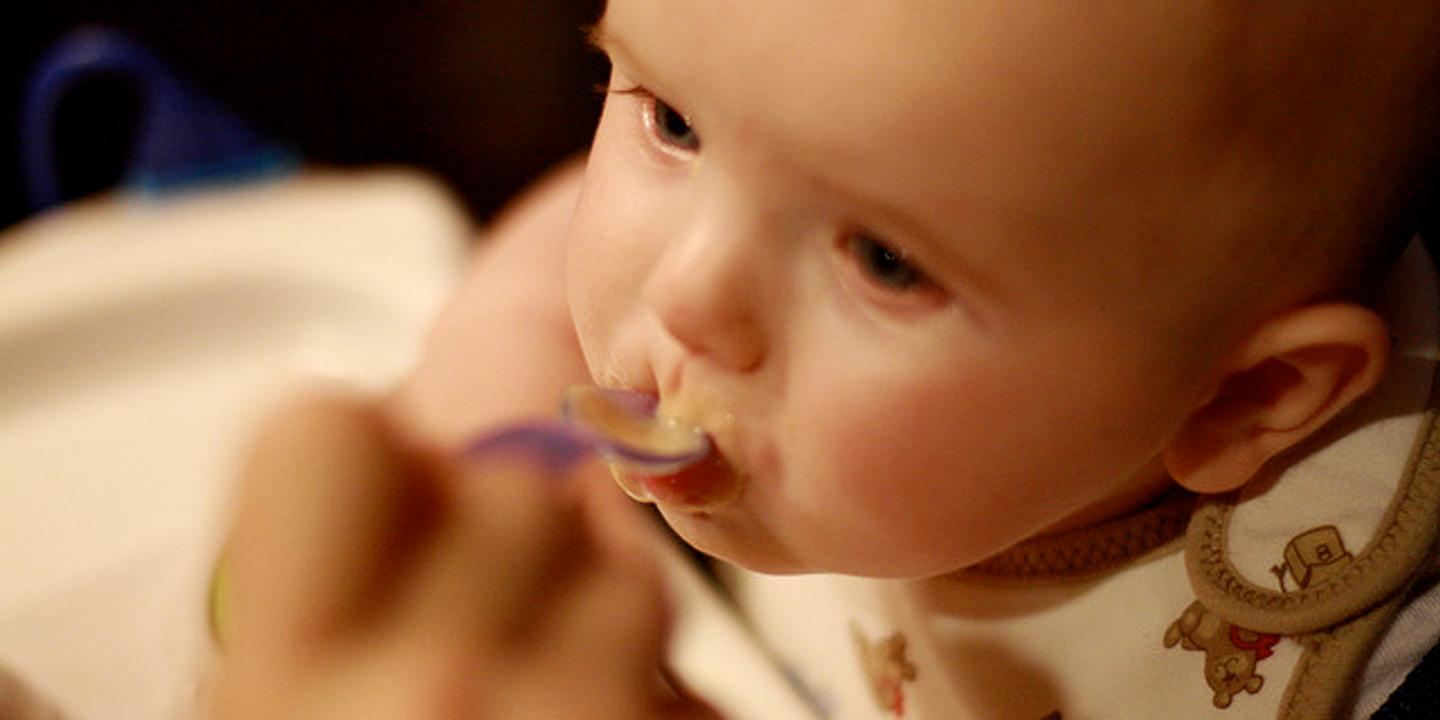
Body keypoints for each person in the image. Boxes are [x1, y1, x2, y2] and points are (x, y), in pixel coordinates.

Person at [210, 1, 1440, 718]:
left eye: (886, 262)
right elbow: (547, 246)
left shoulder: (1369, 665)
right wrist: (477, 395)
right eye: (674, 123)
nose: (683, 296)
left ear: (1241, 397)